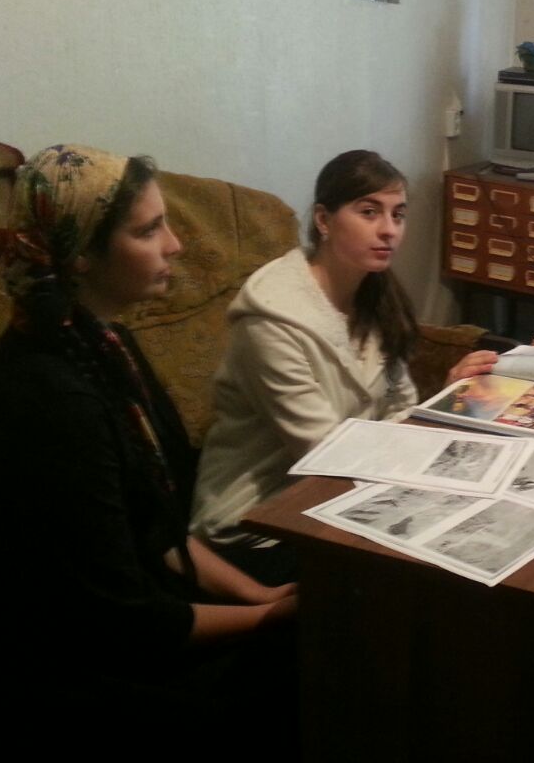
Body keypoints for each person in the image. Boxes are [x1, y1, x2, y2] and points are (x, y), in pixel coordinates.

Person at [0, 145, 297, 751]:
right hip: (63, 667)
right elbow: (119, 622)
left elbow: (154, 526)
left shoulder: (102, 341)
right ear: (81, 256)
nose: (175, 245)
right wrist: (266, 618)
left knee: (314, 581)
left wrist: (260, 595)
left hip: (137, 608)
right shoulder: (48, 397)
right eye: (148, 230)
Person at [192, 150, 496, 580]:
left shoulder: (375, 296)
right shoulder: (271, 321)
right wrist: (426, 432)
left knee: (475, 537)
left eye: (398, 215)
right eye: (369, 212)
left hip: (341, 495)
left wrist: (442, 400)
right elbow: (323, 453)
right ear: (324, 220)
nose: (389, 230)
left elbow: (397, 409)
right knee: (430, 572)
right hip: (254, 523)